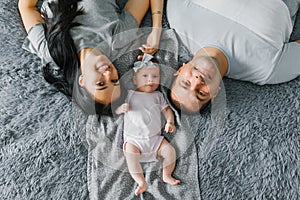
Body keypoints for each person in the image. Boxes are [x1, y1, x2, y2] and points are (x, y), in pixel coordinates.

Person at [18, 0, 164, 114]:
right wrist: (157, 30)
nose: (108, 73)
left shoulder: (51, 51)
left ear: (81, 81)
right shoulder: (118, 41)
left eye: (101, 84)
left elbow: (27, 7)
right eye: (114, 80)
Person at [165, 0, 300, 113]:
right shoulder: (267, 70)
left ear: (180, 70)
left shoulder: (179, 17)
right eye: (201, 93)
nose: (197, 81)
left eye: (186, 83)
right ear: (215, 93)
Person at [115, 54, 180, 195]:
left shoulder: (158, 96)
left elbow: (167, 110)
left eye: (155, 77)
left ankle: (166, 174)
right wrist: (121, 108)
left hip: (155, 140)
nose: (150, 80)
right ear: (135, 79)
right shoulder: (129, 94)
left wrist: (170, 122)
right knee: (130, 156)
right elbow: (116, 109)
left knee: (170, 152)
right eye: (145, 76)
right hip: (134, 141)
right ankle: (140, 181)